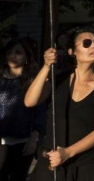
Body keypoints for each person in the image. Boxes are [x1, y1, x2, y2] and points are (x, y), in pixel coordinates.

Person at [25, 28, 94, 180]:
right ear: (71, 51)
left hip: (87, 166)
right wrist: (46, 66)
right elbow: (30, 101)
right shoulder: (58, 80)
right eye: (87, 43)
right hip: (51, 163)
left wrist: (68, 152)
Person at [0, 39, 43, 180]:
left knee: (18, 177)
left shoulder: (33, 80)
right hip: (2, 140)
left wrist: (34, 138)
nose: (13, 55)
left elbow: (40, 111)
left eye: (18, 52)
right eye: (10, 52)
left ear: (26, 57)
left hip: (24, 140)